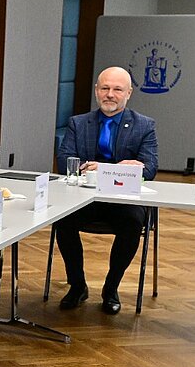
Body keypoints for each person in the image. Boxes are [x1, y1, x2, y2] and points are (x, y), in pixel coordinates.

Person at [55, 66, 158, 315]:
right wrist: (120, 167)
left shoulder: (144, 125)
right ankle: (77, 286)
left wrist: (104, 168)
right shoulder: (78, 123)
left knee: (133, 223)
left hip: (123, 201)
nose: (110, 94)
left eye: (117, 89)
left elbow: (150, 168)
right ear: (96, 91)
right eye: (105, 88)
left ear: (128, 93)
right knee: (62, 219)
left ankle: (111, 288)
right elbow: (65, 161)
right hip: (84, 199)